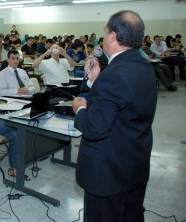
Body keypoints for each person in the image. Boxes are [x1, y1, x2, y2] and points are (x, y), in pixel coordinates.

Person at [72, 10, 157, 222]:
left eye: (105, 32)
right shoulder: (143, 67)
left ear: (112, 36)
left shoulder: (114, 75)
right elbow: (122, 104)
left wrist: (80, 109)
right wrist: (96, 80)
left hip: (108, 173)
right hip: (134, 163)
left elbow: (94, 127)